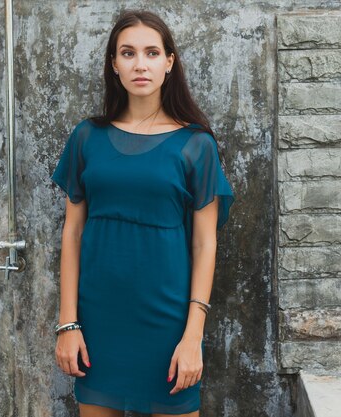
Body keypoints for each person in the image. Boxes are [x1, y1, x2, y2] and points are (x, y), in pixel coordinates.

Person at [50, 9, 235, 417]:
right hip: (98, 323)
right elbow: (73, 233)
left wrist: (193, 337)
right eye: (128, 53)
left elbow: (205, 242)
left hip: (168, 324)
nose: (140, 64)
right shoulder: (87, 137)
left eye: (152, 53)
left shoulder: (196, 145)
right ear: (114, 65)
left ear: (169, 63)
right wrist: (68, 324)